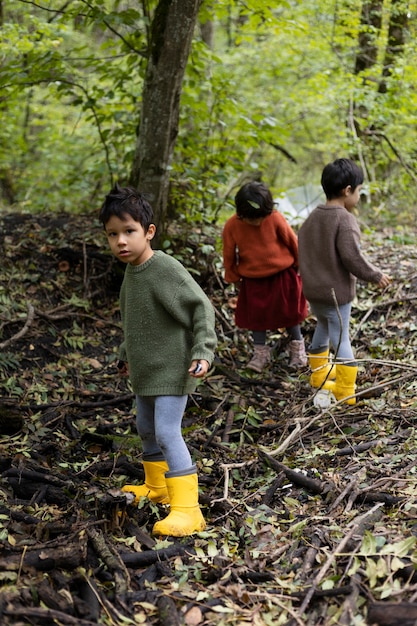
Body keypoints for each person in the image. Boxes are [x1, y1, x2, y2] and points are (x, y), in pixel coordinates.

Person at [99, 184, 217, 536]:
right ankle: (158, 487)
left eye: (129, 232)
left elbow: (201, 307)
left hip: (172, 368)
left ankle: (188, 510)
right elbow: (134, 321)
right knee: (145, 430)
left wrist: (203, 350)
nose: (121, 241)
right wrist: (124, 354)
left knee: (167, 431)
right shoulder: (130, 275)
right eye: (112, 234)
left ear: (148, 232)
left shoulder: (163, 267)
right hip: (146, 371)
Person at [298, 158, 391, 404]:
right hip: (336, 294)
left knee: (324, 328)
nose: (359, 196)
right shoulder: (344, 219)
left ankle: (319, 377)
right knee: (341, 339)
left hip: (314, 292)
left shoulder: (311, 218)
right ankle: (345, 391)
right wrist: (375, 275)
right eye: (359, 190)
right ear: (347, 190)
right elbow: (352, 257)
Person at [222, 181, 308, 373]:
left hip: (282, 275)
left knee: (290, 313)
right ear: (241, 213)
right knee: (256, 317)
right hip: (253, 279)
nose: (257, 222)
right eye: (252, 219)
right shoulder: (232, 226)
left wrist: (301, 264)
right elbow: (229, 253)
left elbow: (293, 242)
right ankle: (260, 353)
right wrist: (233, 275)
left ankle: (297, 347)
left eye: (261, 217)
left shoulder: (275, 218)